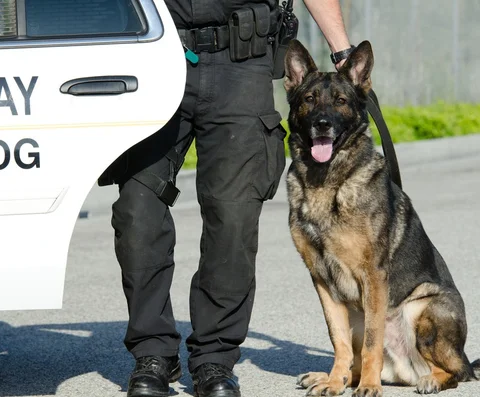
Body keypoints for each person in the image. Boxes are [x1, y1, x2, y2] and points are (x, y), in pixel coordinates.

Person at [104, 1, 353, 396]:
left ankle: (214, 359)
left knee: (233, 216)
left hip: (242, 63)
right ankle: (152, 354)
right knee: (136, 210)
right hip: (155, 55)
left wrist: (341, 50)